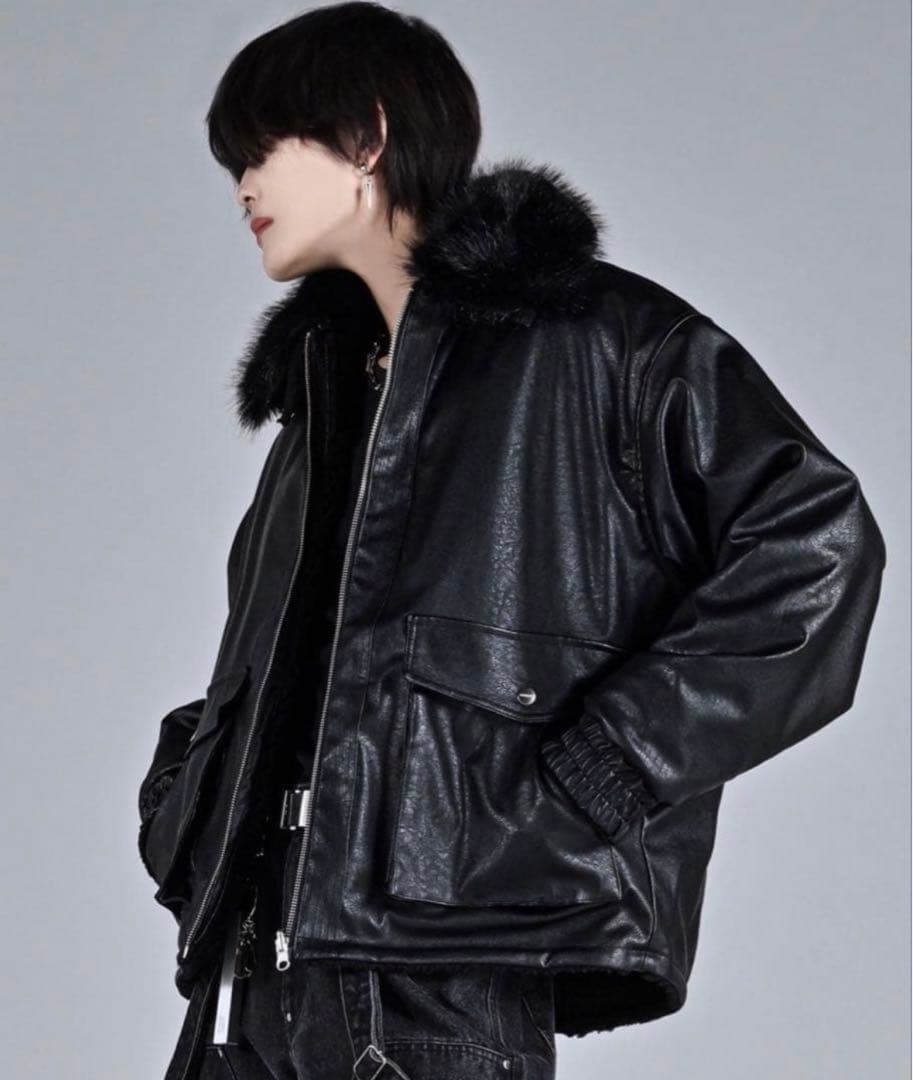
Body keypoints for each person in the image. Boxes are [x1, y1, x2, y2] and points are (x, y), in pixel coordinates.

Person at [136, 4, 887, 1079]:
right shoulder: (326, 405)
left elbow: (818, 545)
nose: (243, 187)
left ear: (367, 137)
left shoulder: (602, 343)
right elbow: (287, 675)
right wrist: (189, 794)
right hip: (246, 987)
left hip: (431, 979)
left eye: (261, 148)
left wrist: (611, 763)